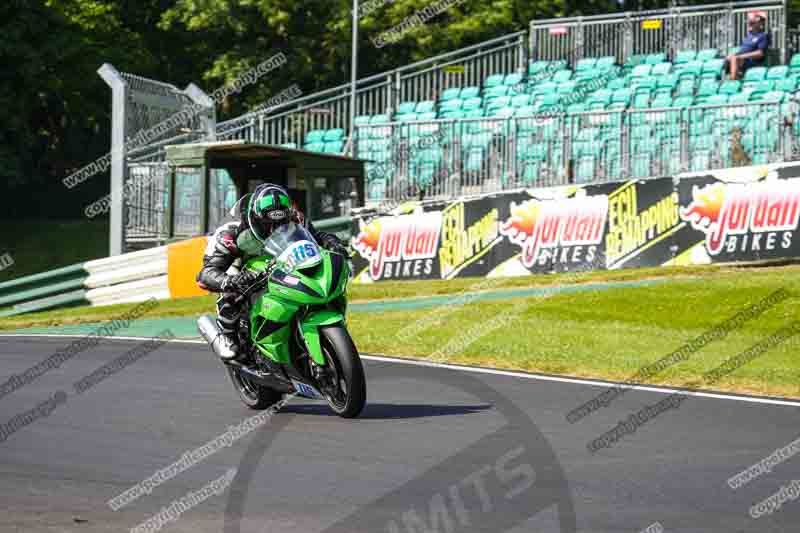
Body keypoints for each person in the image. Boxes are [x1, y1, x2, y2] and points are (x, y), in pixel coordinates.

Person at [196, 183, 349, 362]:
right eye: (268, 224)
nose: (274, 229)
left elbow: (316, 237)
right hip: (240, 261)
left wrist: (331, 241)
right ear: (256, 219)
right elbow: (206, 273)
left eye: (280, 224)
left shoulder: (294, 218)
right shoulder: (230, 233)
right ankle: (228, 337)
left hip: (278, 256)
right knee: (233, 290)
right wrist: (232, 280)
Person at [725, 14, 770, 80]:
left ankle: (733, 80)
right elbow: (742, 50)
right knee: (728, 57)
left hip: (752, 60)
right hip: (742, 59)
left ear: (760, 24)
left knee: (735, 58)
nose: (750, 24)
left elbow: (760, 53)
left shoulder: (763, 36)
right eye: (750, 23)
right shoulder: (748, 36)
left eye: (753, 23)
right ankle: (724, 80)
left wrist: (741, 56)